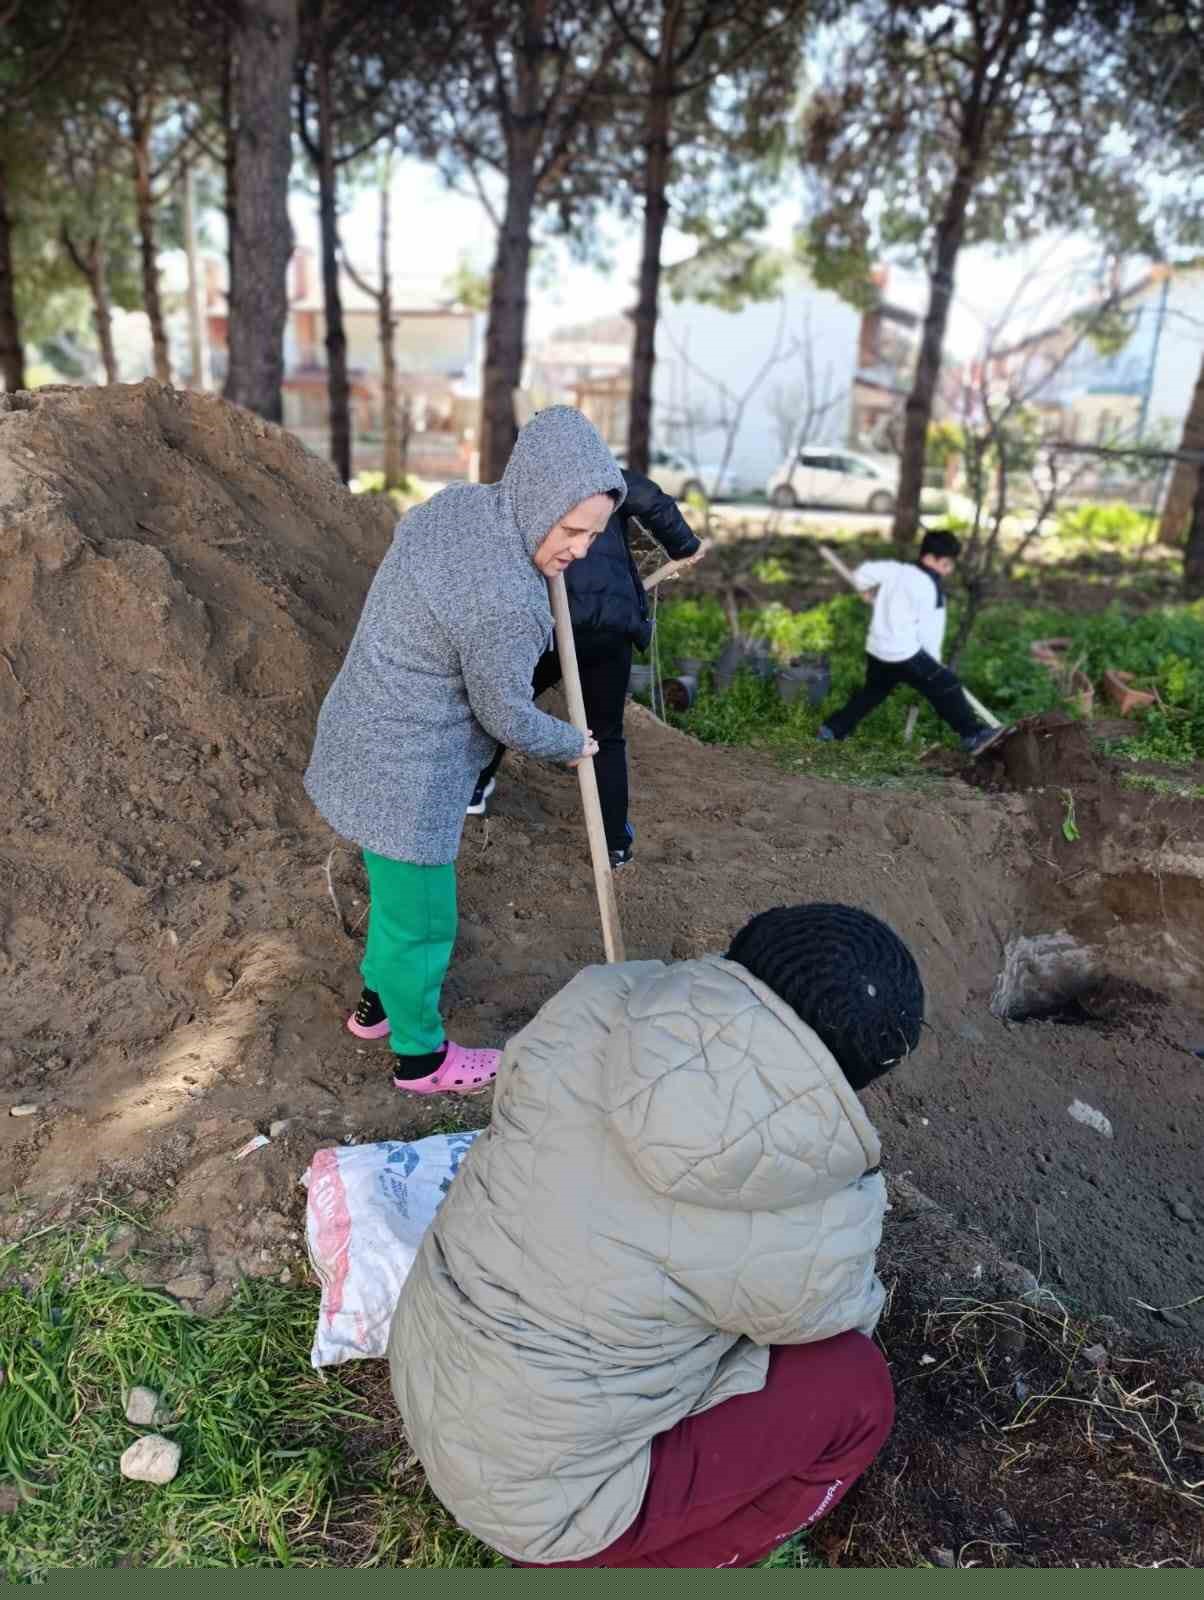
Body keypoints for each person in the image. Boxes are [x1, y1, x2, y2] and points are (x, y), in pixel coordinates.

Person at [388, 902, 921, 1567]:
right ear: (858, 1077)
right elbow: (837, 1321)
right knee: (855, 1392)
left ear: (743, 948)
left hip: (430, 1375)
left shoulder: (592, 1002)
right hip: (542, 1505)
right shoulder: (821, 1212)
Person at [303, 406, 625, 1098]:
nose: (581, 551)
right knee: (423, 921)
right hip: (405, 771)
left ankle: (376, 1009)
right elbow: (505, 712)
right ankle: (421, 1059)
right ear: (537, 496)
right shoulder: (508, 602)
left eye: (594, 535)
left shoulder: (461, 508)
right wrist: (571, 743)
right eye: (571, 530)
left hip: (361, 726)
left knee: (394, 902)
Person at [466, 467, 709, 869]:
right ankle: (614, 843)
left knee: (507, 703)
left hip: (552, 621)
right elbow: (654, 501)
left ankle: (472, 790)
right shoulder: (604, 473)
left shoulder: (531, 481)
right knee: (605, 734)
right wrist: (683, 544)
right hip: (608, 623)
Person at [819, 528, 1000, 754]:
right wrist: (936, 665)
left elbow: (862, 574)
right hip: (903, 653)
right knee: (948, 685)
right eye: (945, 564)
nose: (949, 570)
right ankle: (973, 735)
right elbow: (929, 634)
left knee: (872, 693)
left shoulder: (896, 570)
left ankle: (831, 730)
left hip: (877, 649)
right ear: (929, 558)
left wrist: (867, 590)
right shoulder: (931, 589)